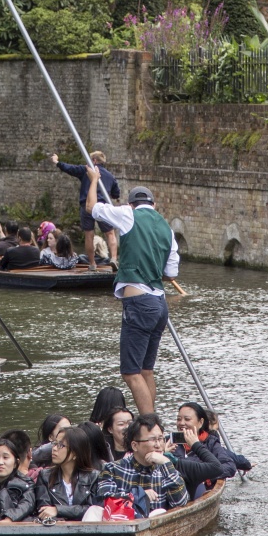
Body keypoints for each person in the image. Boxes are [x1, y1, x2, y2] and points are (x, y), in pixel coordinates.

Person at [86, 169, 179, 415]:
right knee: (146, 370)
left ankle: (149, 426)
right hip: (160, 306)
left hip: (139, 302)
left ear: (131, 204)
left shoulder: (128, 214)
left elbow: (92, 208)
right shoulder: (167, 230)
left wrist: (94, 180)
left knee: (130, 372)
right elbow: (171, 274)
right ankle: (152, 421)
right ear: (154, 205)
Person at [98, 414, 192, 515]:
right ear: (134, 445)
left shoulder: (167, 469)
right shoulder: (112, 469)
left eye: (160, 439)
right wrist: (138, 496)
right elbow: (104, 500)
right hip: (123, 524)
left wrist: (166, 463)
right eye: (152, 440)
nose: (158, 445)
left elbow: (181, 504)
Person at [52, 148, 121, 268]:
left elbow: (69, 168)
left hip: (87, 205)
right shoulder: (110, 176)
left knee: (89, 234)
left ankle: (92, 263)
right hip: (103, 206)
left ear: (93, 160)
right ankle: (114, 258)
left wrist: (57, 162)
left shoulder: (86, 170)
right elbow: (116, 194)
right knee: (110, 233)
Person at [36, 425, 102, 522]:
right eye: (54, 443)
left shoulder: (94, 477)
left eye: (60, 445)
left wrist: (58, 510)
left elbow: (95, 509)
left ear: (75, 453)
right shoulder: (45, 476)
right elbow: (44, 510)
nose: (54, 449)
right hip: (55, 530)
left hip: (88, 530)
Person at [172, 401, 252, 476]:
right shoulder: (167, 442)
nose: (181, 423)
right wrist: (165, 453)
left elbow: (229, 466)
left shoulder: (210, 442)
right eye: (178, 419)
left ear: (200, 423)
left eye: (187, 419)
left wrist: (203, 476)